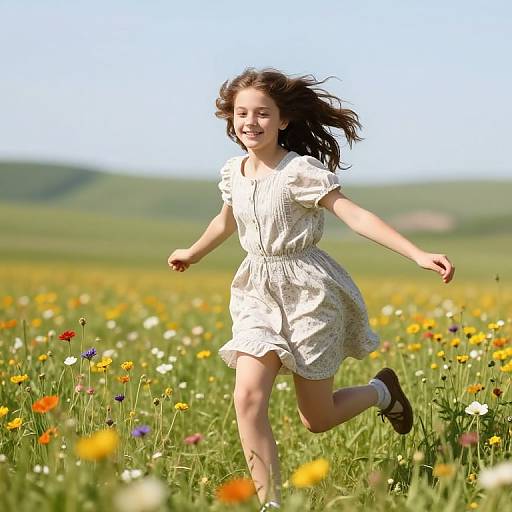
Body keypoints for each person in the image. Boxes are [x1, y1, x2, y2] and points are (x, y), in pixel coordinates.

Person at [168, 67, 455, 511]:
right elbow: (225, 220)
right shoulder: (233, 172)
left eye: (262, 113)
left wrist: (416, 253)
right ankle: (271, 504)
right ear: (231, 119)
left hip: (307, 292)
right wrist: (194, 251)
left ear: (283, 120)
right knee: (247, 397)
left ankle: (381, 392)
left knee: (316, 419)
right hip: (256, 290)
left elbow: (354, 215)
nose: (251, 122)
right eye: (242, 113)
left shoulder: (300, 171)